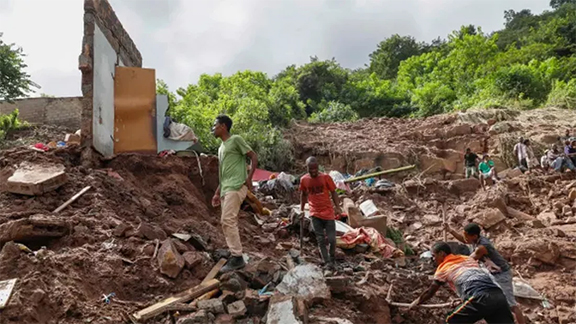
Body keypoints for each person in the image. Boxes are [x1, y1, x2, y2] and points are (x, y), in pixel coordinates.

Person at [409, 242, 514, 324]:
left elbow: (430, 292)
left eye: (434, 255)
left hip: (480, 296)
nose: (433, 259)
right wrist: (463, 299)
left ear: (442, 254)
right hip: (498, 294)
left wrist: (416, 302)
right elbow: (474, 279)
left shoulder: (443, 268)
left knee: (452, 321)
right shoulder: (467, 259)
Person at [443, 223, 525, 324]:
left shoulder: (482, 247)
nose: (465, 238)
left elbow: (469, 260)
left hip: (501, 274)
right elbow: (464, 240)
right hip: (490, 272)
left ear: (474, 236)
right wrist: (451, 231)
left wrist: (449, 263)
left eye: (466, 236)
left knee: (511, 304)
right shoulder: (474, 240)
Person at [211, 115, 258, 273]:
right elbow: (223, 174)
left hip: (236, 186)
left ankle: (237, 257)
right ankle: (234, 253)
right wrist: (217, 193)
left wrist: (249, 178)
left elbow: (253, 156)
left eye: (215, 125)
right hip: (226, 187)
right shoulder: (221, 148)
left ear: (223, 126)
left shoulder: (236, 139)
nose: (213, 128)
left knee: (227, 220)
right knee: (226, 222)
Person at [299, 156, 342, 269]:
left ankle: (332, 258)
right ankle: (327, 261)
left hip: (328, 212)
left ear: (318, 167)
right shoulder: (304, 180)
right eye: (310, 169)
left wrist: (337, 206)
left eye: (315, 168)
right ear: (306, 168)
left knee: (332, 239)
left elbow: (333, 192)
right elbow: (303, 195)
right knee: (320, 239)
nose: (313, 171)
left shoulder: (325, 178)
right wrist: (302, 210)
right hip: (314, 213)